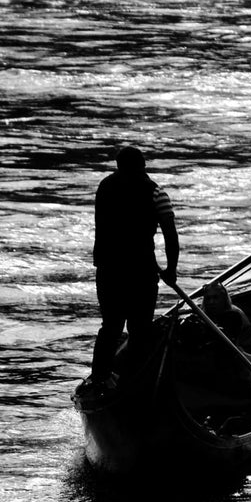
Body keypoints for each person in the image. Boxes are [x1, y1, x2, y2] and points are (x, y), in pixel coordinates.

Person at [89, 145, 178, 380]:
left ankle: (99, 378)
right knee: (139, 330)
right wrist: (171, 270)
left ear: (119, 167)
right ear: (143, 165)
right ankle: (135, 379)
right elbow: (170, 234)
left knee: (110, 327)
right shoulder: (156, 193)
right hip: (141, 273)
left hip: (109, 271)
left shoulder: (104, 187)